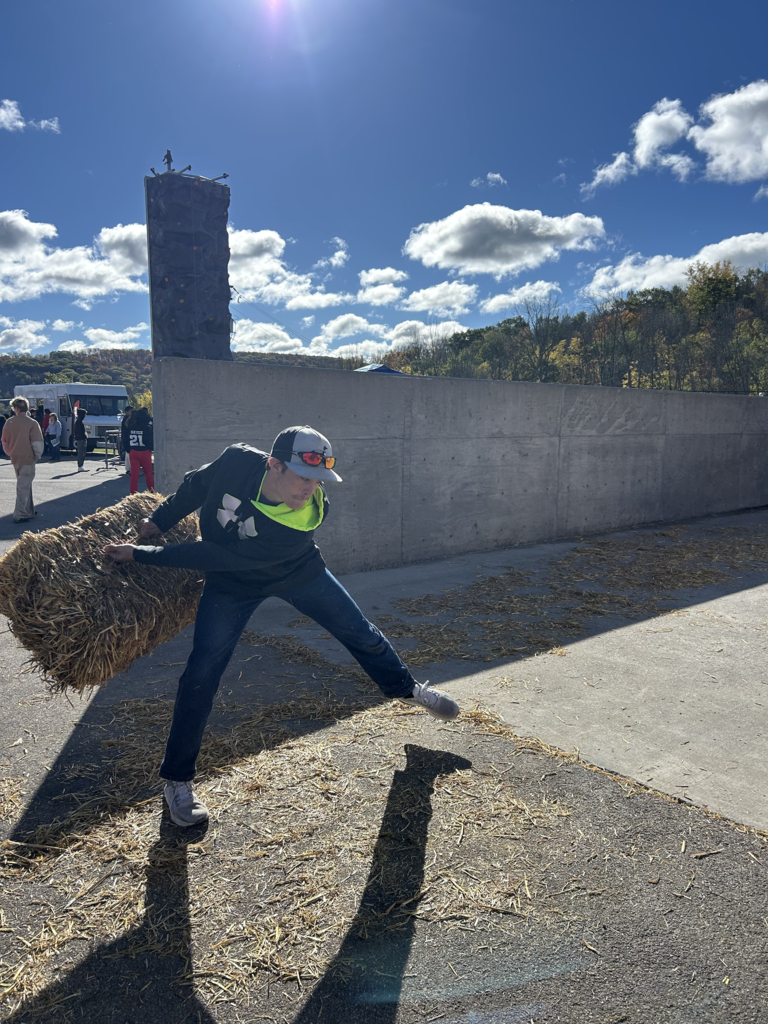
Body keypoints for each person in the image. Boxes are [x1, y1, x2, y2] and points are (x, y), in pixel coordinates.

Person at [104, 425, 460, 827]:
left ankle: (408, 690)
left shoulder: (301, 521)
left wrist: (143, 554)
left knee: (358, 631)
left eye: (319, 480)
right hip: (232, 586)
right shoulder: (236, 459)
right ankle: (177, 781)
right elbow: (195, 486)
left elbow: (214, 554)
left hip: (293, 570)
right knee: (202, 673)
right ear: (273, 464)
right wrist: (158, 520)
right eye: (303, 476)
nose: (311, 488)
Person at [2, 397, 44, 522]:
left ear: (16, 408)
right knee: (24, 486)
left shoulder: (9, 422)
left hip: (15, 457)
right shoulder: (32, 423)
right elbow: (37, 443)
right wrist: (36, 456)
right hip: (28, 457)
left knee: (24, 484)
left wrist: (10, 452)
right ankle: (20, 514)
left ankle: (29, 511)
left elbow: (4, 442)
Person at [128, 407, 154, 493]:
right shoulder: (147, 427)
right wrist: (150, 448)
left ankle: (133, 492)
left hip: (133, 451)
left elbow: (126, 439)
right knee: (148, 473)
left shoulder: (131, 426)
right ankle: (151, 490)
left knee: (134, 474)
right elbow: (149, 439)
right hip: (144, 451)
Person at [73, 407, 88, 472]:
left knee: (82, 452)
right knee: (81, 453)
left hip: (81, 438)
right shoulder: (79, 422)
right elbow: (79, 431)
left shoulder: (79, 421)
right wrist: (83, 437)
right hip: (81, 439)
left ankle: (81, 465)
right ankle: (80, 465)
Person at [119, 405, 133, 475]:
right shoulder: (126, 419)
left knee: (128, 454)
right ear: (126, 412)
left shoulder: (128, 419)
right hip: (126, 438)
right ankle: (128, 468)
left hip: (127, 438)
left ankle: (129, 468)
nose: (131, 412)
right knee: (128, 454)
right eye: (130, 411)